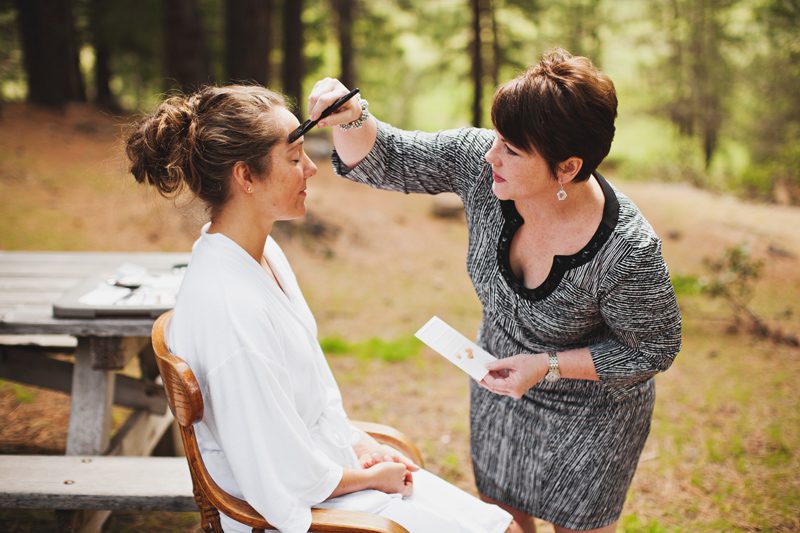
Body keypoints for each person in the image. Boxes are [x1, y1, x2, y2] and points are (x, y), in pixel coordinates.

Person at [307, 49, 682, 533]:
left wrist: (547, 366)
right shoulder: (484, 167)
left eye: (512, 150)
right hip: (500, 383)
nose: (491, 156)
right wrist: (350, 114)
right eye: (497, 139)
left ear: (567, 168)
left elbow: (653, 348)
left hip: (592, 415)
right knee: (500, 516)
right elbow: (390, 156)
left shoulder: (628, 251)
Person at [125, 85, 515, 533]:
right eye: (293, 158)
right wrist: (368, 478)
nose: (311, 167)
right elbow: (278, 478)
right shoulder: (230, 311)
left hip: (327, 471)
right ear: (245, 177)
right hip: (295, 512)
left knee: (501, 528)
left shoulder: (259, 252)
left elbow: (308, 400)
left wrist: (360, 441)